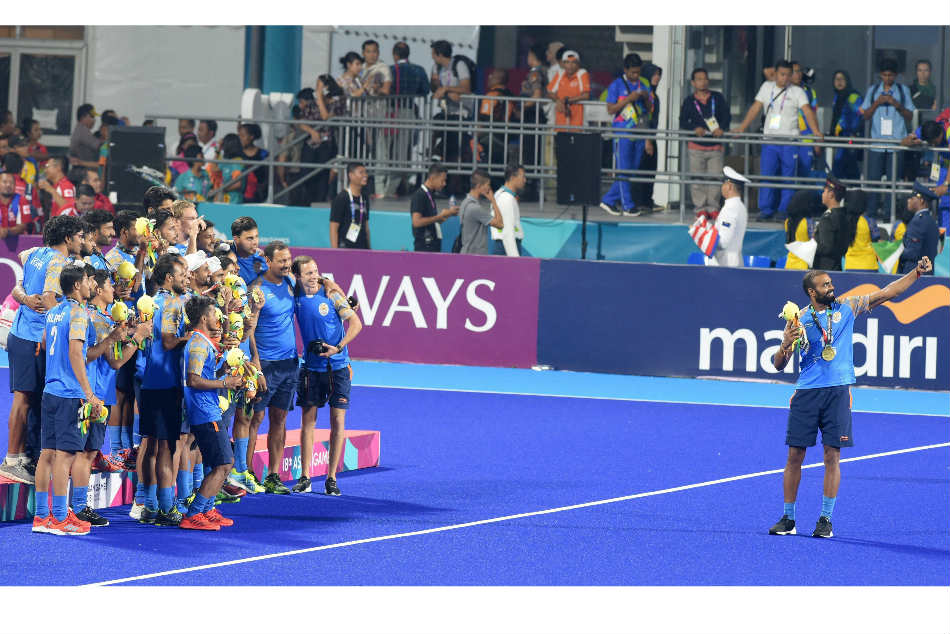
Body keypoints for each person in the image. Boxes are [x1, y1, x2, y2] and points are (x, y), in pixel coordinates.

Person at [769, 256, 933, 538]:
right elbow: (778, 364)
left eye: (831, 283)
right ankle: (789, 518)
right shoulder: (801, 320)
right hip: (807, 393)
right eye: (825, 285)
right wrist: (785, 344)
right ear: (812, 292)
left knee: (832, 455)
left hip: (838, 392)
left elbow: (888, 292)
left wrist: (916, 273)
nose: (832, 288)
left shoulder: (848, 307)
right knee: (795, 455)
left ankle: (825, 520)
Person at [1, 216, 84, 484]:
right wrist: (66, 320)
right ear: (68, 238)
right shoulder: (59, 261)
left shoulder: (35, 252)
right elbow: (49, 298)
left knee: (28, 399)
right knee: (24, 400)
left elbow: (22, 266)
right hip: (33, 340)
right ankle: (12, 459)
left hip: (21, 335)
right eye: (79, 236)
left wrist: (23, 296)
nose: (82, 240)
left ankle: (23, 456)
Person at [30, 265, 102, 536]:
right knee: (66, 456)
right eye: (86, 281)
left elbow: (46, 341)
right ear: (76, 286)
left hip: (50, 391)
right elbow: (75, 354)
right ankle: (60, 518)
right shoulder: (79, 313)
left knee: (47, 454)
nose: (89, 285)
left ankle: (41, 517)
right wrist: (89, 394)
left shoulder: (54, 312)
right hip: (70, 394)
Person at [291, 255, 363, 495]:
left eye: (316, 272)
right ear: (298, 277)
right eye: (308, 273)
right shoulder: (296, 295)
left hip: (338, 367)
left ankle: (332, 478)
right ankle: (305, 477)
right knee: (307, 423)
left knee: (337, 422)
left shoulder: (332, 294)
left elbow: (356, 324)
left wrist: (338, 347)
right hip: (310, 367)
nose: (313, 277)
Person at [734, 59, 823, 221]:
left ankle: (784, 210)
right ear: (775, 74)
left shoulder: (797, 92)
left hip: (789, 142)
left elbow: (808, 111)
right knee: (767, 175)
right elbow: (755, 107)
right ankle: (766, 210)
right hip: (770, 141)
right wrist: (742, 127)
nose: (785, 78)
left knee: (788, 177)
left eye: (789, 75)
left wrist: (816, 132)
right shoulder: (766, 87)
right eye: (782, 75)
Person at [180, 295, 242, 530]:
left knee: (219, 463)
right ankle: (194, 513)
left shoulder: (203, 342)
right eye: (216, 314)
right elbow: (194, 380)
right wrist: (225, 383)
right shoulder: (197, 343)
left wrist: (221, 372)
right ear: (205, 318)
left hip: (209, 410)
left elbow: (203, 377)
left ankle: (207, 509)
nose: (219, 318)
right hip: (204, 412)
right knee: (224, 464)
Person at [137, 254, 190, 526]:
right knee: (167, 448)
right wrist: (190, 338)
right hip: (167, 384)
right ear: (169, 278)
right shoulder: (171, 304)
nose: (186, 278)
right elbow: (169, 342)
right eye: (182, 275)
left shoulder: (150, 302)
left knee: (151, 446)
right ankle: (167, 508)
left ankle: (148, 505)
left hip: (148, 382)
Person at [248, 241, 298, 494]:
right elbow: (248, 330)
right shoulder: (256, 289)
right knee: (254, 418)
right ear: (268, 261)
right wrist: (255, 363)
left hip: (289, 363)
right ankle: (246, 474)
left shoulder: (290, 283)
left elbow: (316, 283)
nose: (287, 264)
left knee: (280, 419)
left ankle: (273, 475)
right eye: (281, 261)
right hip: (265, 364)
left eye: (288, 259)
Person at [860, 59, 915, 219]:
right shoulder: (873, 90)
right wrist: (877, 102)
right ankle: (870, 214)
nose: (887, 78)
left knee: (893, 181)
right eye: (884, 75)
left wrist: (895, 104)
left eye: (890, 75)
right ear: (880, 75)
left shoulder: (903, 90)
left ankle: (888, 215)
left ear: (896, 75)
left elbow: (910, 116)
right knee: (873, 181)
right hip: (876, 144)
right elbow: (865, 116)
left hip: (896, 145)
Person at [599, 53, 652, 216]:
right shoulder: (616, 85)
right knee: (623, 168)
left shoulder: (644, 84)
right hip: (622, 131)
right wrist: (629, 99)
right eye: (633, 73)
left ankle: (608, 199)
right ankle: (628, 206)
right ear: (625, 70)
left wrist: (644, 97)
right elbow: (611, 109)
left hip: (639, 130)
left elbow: (649, 109)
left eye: (638, 72)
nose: (636, 76)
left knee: (632, 169)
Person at [679, 68, 730, 216]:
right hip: (696, 146)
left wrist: (721, 128)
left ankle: (713, 208)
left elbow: (726, 116)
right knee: (697, 179)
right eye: (699, 79)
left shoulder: (717, 98)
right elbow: (683, 121)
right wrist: (694, 128)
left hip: (715, 146)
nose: (703, 82)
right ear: (693, 83)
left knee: (715, 177)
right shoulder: (689, 101)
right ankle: (700, 208)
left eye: (705, 78)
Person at [386, 41, 429, 198]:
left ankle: (389, 187)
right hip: (409, 111)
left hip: (389, 112)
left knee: (388, 150)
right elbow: (425, 90)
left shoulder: (389, 70)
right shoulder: (418, 70)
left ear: (395, 54)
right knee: (404, 151)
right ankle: (401, 185)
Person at [635, 62, 664, 213]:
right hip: (642, 137)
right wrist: (647, 139)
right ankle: (639, 201)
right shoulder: (644, 95)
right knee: (641, 168)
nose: (657, 77)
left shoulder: (655, 96)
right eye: (654, 74)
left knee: (651, 169)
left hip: (652, 136)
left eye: (659, 74)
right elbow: (644, 118)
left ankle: (648, 200)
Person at [411, 164, 458, 252]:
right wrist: (439, 217)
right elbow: (416, 222)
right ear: (432, 178)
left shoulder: (430, 194)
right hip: (424, 247)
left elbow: (432, 221)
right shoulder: (420, 195)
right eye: (442, 180)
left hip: (432, 245)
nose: (444, 184)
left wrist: (448, 214)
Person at [709, 167, 749, 267]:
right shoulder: (740, 206)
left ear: (729, 186)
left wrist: (702, 235)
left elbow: (723, 242)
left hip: (725, 265)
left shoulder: (730, 208)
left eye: (723, 184)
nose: (722, 187)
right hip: (733, 262)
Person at [898, 182, 939, 275]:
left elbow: (913, 253)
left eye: (912, 198)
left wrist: (895, 253)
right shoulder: (931, 221)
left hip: (914, 274)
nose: (908, 200)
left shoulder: (918, 222)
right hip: (926, 272)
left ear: (921, 201)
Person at [458, 168, 504, 254]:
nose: (489, 188)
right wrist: (493, 201)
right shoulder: (475, 208)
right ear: (479, 186)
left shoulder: (464, 203)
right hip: (475, 256)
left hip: (466, 252)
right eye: (488, 185)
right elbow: (500, 224)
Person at [828, 70, 863, 181]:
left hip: (849, 138)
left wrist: (854, 133)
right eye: (836, 79)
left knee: (843, 169)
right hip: (839, 138)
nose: (839, 82)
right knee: (844, 169)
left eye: (842, 79)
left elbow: (859, 116)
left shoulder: (852, 96)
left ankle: (854, 195)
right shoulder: (837, 97)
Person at [330, 162, 371, 249]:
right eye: (361, 172)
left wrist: (369, 248)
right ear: (351, 175)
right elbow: (333, 228)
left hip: (362, 248)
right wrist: (334, 252)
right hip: (345, 248)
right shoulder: (341, 198)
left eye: (365, 172)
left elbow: (366, 226)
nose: (365, 175)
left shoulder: (364, 197)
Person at [813, 177, 850, 271]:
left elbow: (826, 247)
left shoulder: (828, 218)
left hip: (824, 268)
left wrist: (809, 248)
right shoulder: (844, 215)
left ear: (831, 194)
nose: (822, 194)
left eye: (824, 192)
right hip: (837, 267)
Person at [546, 50, 589, 131]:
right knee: (560, 140)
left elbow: (586, 95)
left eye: (573, 62)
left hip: (577, 119)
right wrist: (558, 101)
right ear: (563, 64)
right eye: (567, 62)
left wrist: (568, 100)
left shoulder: (582, 73)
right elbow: (549, 92)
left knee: (576, 141)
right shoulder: (560, 74)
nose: (570, 65)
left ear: (578, 64)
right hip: (561, 117)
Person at [791, 62, 820, 177]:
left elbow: (814, 115)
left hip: (806, 139)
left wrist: (817, 140)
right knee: (789, 175)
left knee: (805, 175)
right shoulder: (782, 90)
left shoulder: (810, 92)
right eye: (794, 72)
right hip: (789, 139)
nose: (798, 74)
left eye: (799, 71)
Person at [490, 164, 526, 256]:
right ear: (513, 177)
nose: (524, 180)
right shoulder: (506, 198)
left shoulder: (500, 194)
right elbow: (508, 232)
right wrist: (514, 259)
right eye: (523, 176)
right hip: (506, 247)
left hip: (503, 245)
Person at [783, 189, 822, 270]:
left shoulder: (787, 222)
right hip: (803, 264)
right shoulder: (807, 222)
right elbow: (814, 241)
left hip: (789, 263)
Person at [842, 190, 878, 271]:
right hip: (870, 265)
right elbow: (877, 243)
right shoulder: (870, 221)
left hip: (850, 265)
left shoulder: (844, 221)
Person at [230, 216, 267, 284]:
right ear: (236, 239)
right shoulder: (225, 254)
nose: (255, 242)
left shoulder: (261, 258)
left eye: (256, 236)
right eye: (250, 238)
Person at [238, 123, 268, 203]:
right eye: (239, 135)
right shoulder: (237, 154)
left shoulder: (263, 154)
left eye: (243, 136)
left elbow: (267, 177)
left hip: (257, 196)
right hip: (240, 195)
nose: (240, 138)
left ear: (251, 137)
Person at [213, 134, 245, 204]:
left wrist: (223, 189)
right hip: (225, 200)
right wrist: (218, 149)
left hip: (234, 200)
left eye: (224, 144)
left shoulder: (237, 162)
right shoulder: (226, 161)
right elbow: (214, 169)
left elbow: (237, 184)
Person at [0, 170, 32, 238]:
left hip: (19, 244)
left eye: (11, 182)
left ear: (15, 185)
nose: (8, 185)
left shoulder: (22, 200)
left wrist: (7, 231)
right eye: (4, 182)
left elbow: (23, 226)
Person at [68, 104, 100, 170]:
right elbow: (99, 146)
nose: (94, 120)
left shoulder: (79, 129)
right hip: (83, 173)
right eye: (92, 116)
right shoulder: (83, 131)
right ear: (83, 117)